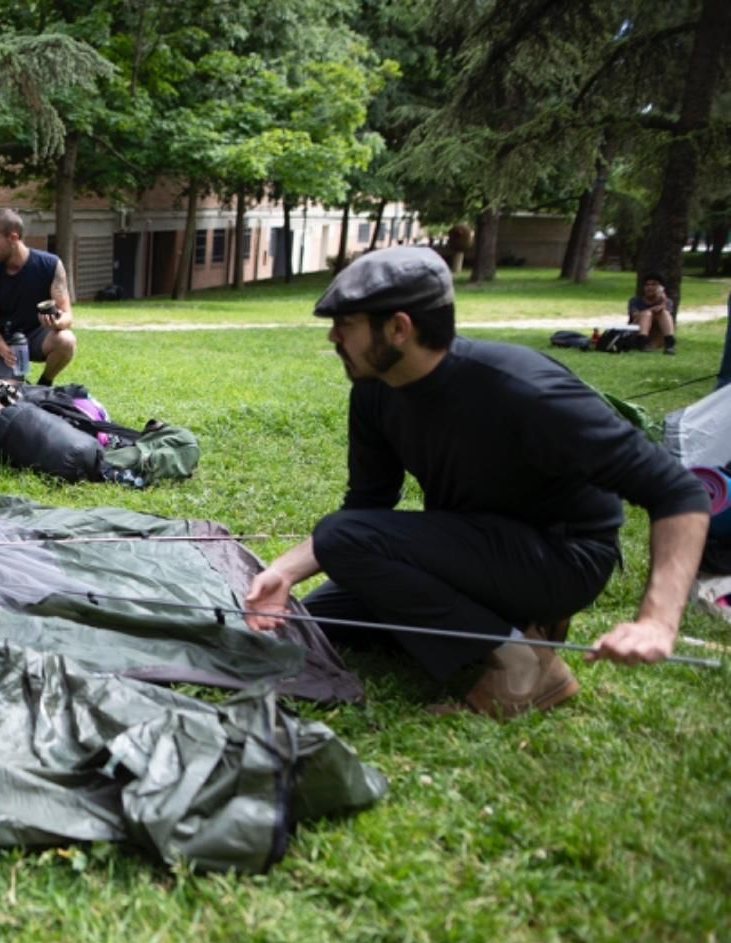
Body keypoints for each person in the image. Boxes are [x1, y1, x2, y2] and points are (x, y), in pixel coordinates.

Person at [243, 247, 709, 719]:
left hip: (562, 558)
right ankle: (510, 623)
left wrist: (657, 621)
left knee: (340, 540)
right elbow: (367, 503)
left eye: (345, 325)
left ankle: (524, 667)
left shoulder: (523, 388)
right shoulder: (374, 390)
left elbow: (678, 492)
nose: (333, 337)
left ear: (399, 328)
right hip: (477, 547)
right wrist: (284, 572)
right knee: (320, 620)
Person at [0, 209, 77, 388]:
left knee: (66, 340)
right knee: (1, 394)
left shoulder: (50, 265)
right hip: (6, 341)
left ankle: (44, 383)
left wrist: (57, 323)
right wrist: (2, 348)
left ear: (13, 238)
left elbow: (67, 315)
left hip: (38, 337)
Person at [628, 272, 676, 354]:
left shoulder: (667, 301)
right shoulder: (635, 301)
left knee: (664, 313)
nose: (649, 287)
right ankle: (642, 342)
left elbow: (667, 316)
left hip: (657, 334)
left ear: (661, 288)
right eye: (647, 285)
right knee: (647, 314)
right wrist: (651, 310)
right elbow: (635, 316)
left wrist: (662, 301)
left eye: (654, 284)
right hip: (638, 331)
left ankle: (669, 343)